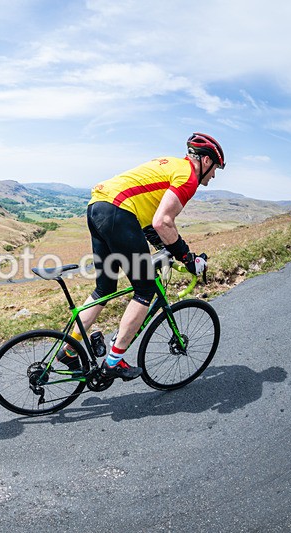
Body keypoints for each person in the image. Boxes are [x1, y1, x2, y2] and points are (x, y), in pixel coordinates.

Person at [58, 133, 224, 380]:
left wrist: (169, 249)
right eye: (216, 169)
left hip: (98, 207)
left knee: (104, 289)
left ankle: (69, 350)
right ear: (206, 161)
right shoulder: (188, 176)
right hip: (118, 213)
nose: (213, 176)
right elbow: (163, 221)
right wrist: (189, 259)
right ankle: (114, 362)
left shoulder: (171, 164)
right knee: (145, 290)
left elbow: (150, 222)